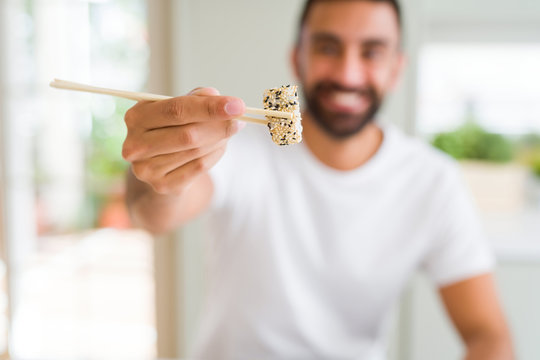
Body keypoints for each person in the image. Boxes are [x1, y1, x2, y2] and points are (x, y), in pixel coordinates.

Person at [122, 0, 514, 358]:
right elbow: (154, 214)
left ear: (396, 69)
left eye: (372, 52)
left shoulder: (432, 181)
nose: (347, 73)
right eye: (327, 47)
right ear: (298, 59)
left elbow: (488, 335)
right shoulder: (241, 147)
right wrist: (163, 171)